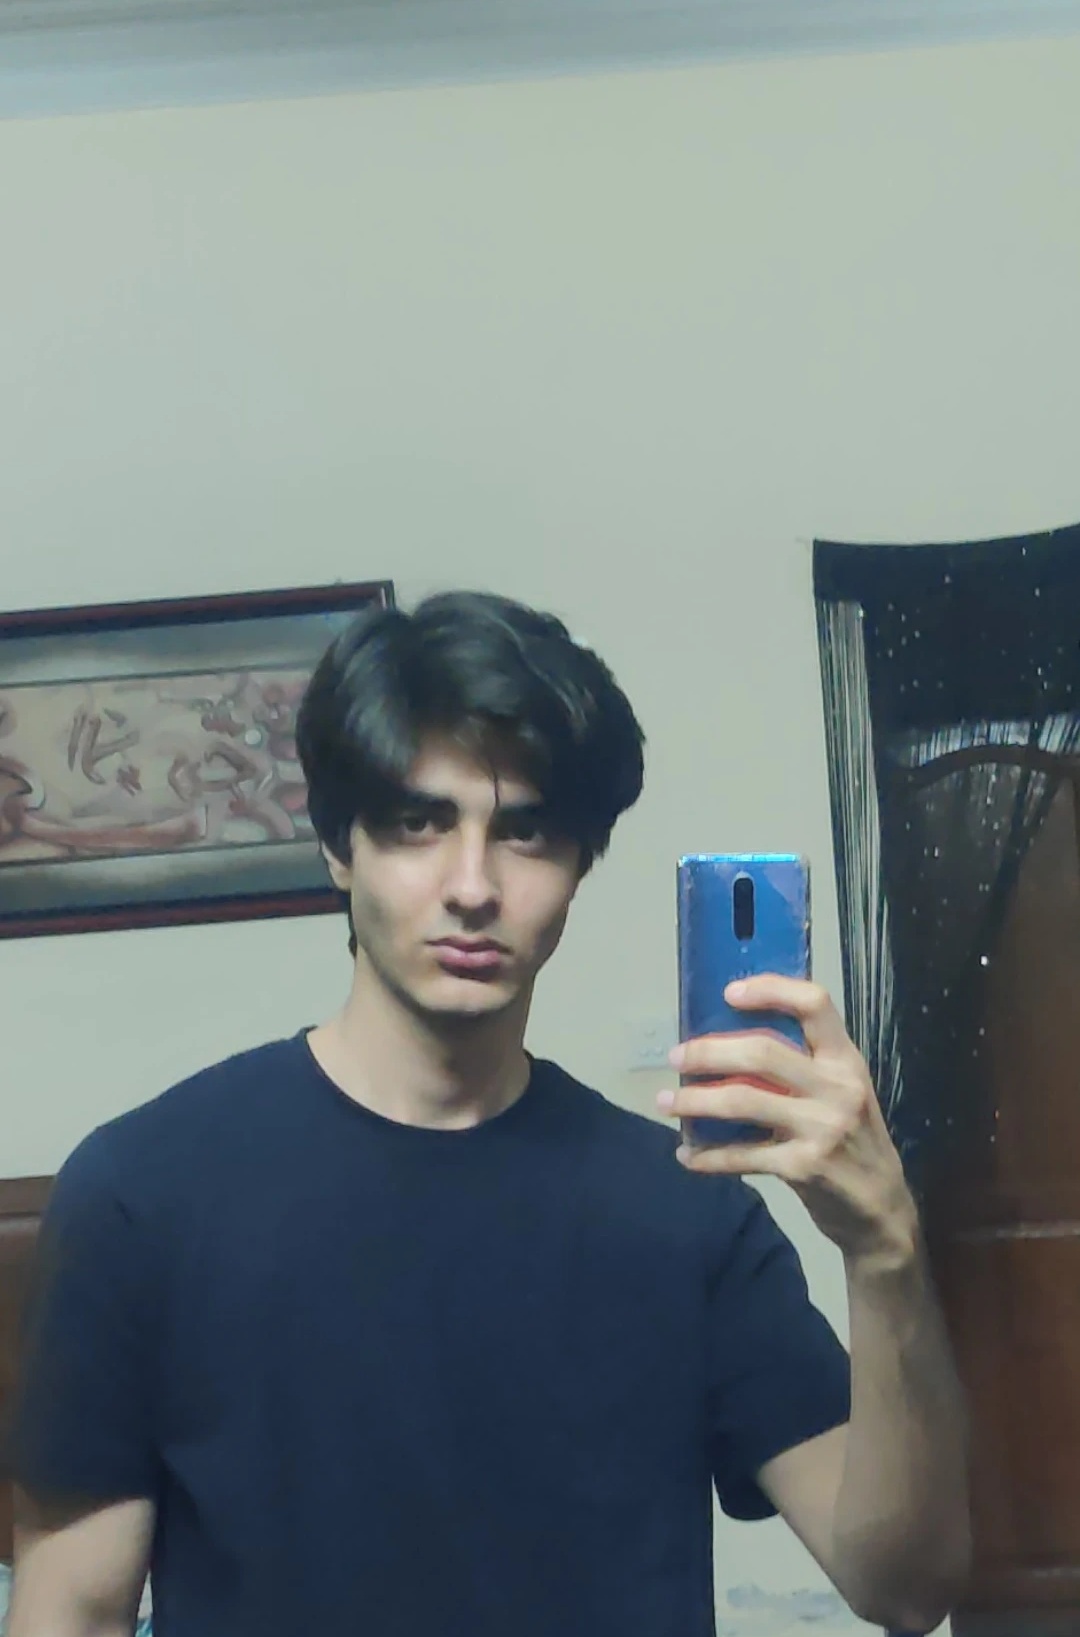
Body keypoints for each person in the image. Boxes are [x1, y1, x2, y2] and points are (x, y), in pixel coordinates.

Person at [4, 591, 970, 1637]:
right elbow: (73, 1612)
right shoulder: (142, 1195)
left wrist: (885, 1246)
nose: (472, 885)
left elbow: (905, 1586)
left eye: (526, 831)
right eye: (419, 822)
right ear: (340, 845)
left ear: (580, 864)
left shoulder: (687, 1209)